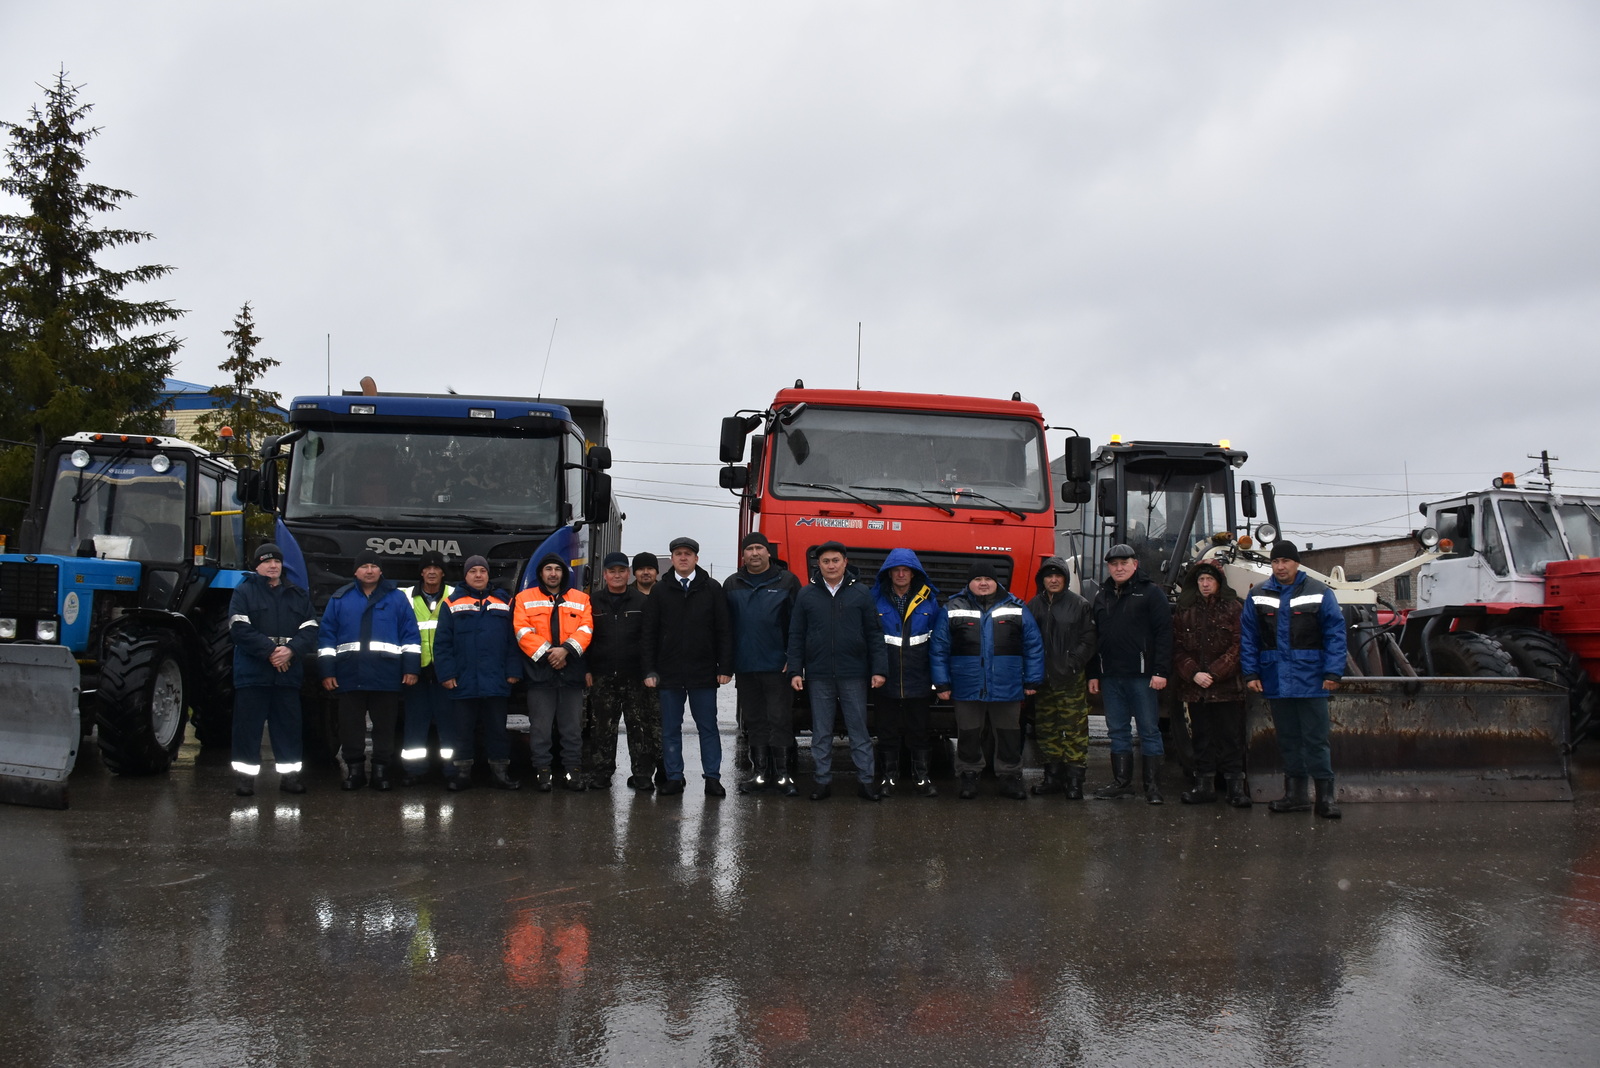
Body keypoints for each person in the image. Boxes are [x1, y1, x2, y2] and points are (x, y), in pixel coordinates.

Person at [1239, 540, 1347, 819]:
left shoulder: (1320, 592)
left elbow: (1335, 634)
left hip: (1311, 680)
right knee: (1287, 739)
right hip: (1276, 679)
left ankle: (1325, 798)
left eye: (1285, 561)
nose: (1280, 567)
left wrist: (1333, 672)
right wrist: (1250, 673)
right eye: (1275, 562)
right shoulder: (1259, 594)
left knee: (1316, 739)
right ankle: (1296, 796)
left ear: (1297, 563)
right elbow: (1249, 637)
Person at [931, 559, 1044, 800]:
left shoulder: (1017, 608)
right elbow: (939, 648)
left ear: (996, 582)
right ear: (969, 583)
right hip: (966, 685)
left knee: (1008, 734)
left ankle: (1010, 777)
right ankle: (968, 776)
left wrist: (1032, 680)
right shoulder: (952, 608)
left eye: (988, 579)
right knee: (969, 734)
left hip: (1008, 685)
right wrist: (941, 683)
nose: (983, 583)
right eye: (978, 579)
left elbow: (1033, 645)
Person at [788, 542, 888, 801]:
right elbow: (796, 635)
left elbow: (874, 634)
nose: (830, 565)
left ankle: (866, 782)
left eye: (835, 560)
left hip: (854, 673)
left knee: (859, 730)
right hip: (819, 675)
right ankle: (822, 782)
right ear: (818, 565)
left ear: (845, 562)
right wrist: (796, 670)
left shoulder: (861, 593)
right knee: (821, 732)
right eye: (825, 561)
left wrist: (879, 670)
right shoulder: (807, 595)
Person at [318, 550, 421, 791]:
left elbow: (410, 636)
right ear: (355, 571)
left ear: (381, 571)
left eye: (374, 566)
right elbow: (326, 638)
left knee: (385, 728)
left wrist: (411, 668)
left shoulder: (396, 599)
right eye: (364, 566)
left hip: (385, 675)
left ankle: (380, 772)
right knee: (350, 727)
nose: (369, 570)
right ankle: (355, 772)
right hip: (349, 674)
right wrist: (327, 671)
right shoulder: (340, 599)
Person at [641, 537, 733, 797]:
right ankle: (674, 777)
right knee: (671, 728)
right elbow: (649, 633)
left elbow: (724, 630)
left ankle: (712, 778)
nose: (683, 557)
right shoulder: (660, 590)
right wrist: (649, 670)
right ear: (671, 559)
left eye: (688, 554)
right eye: (678, 554)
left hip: (703, 672)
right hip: (668, 673)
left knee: (708, 727)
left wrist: (724, 666)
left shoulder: (712, 589)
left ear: (696, 559)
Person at [228, 543, 318, 796]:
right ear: (257, 566)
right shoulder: (244, 591)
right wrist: (271, 652)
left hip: (287, 674)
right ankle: (245, 779)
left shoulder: (298, 595)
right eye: (267, 562)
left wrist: (290, 651)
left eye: (277, 561)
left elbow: (310, 629)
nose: (273, 566)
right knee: (247, 729)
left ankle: (289, 778)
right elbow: (239, 628)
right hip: (253, 673)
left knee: (288, 729)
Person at [1088, 543, 1173, 804]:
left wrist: (1160, 671)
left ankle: (1153, 788)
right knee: (1118, 731)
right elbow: (1095, 637)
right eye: (1114, 564)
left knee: (1149, 730)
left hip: (1143, 676)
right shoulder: (1101, 596)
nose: (1119, 567)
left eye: (1124, 563)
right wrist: (1094, 673)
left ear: (1135, 564)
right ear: (1108, 568)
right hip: (1111, 676)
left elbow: (1164, 634)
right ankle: (1122, 783)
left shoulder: (1151, 594)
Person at [433, 554, 524, 790]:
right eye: (473, 571)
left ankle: (500, 774)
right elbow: (442, 644)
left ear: (488, 575)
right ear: (465, 576)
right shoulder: (451, 603)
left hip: (496, 679)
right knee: (462, 731)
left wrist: (513, 670)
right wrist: (446, 674)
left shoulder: (505, 602)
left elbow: (514, 641)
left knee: (497, 730)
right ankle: (462, 775)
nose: (478, 575)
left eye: (482, 571)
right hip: (463, 680)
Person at [724, 532, 803, 796]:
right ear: (743, 555)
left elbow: (797, 625)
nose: (754, 553)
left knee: (780, 720)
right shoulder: (732, 583)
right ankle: (758, 774)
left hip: (777, 666)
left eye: (759, 548)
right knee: (755, 722)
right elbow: (726, 628)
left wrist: (793, 659)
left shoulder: (788, 581)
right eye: (749, 549)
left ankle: (782, 775)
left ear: (769, 552)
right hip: (746, 665)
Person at [514, 552, 594, 792]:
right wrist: (552, 654)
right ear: (541, 573)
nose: (553, 573)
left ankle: (572, 772)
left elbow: (586, 629)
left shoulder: (581, 599)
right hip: (540, 674)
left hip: (571, 674)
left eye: (557, 570)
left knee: (572, 729)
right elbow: (521, 631)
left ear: (563, 574)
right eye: (548, 569)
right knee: (540, 728)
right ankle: (543, 772)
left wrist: (566, 651)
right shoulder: (524, 598)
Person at [1173, 560, 1250, 807]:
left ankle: (1235, 789)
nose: (1205, 585)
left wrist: (1215, 674)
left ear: (1219, 582)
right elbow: (1177, 648)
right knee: (1201, 738)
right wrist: (1194, 673)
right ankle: (1203, 786)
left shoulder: (1235, 608)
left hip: (1226, 688)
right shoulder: (1185, 610)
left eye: (1209, 580)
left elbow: (1239, 646)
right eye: (1201, 580)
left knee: (1230, 737)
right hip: (1196, 690)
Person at [583, 551, 661, 791]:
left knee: (639, 728)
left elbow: (650, 640)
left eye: (621, 571)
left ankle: (642, 775)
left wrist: (650, 671)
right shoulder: (592, 602)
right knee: (602, 728)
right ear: (604, 574)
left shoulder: (642, 602)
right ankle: (601, 774)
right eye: (612, 571)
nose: (617, 575)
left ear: (628, 573)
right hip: (602, 675)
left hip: (635, 675)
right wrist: (586, 669)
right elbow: (584, 637)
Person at [870, 548, 944, 797]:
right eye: (896, 570)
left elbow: (938, 643)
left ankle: (921, 778)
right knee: (886, 732)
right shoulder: (874, 600)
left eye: (906, 570)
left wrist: (937, 678)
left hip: (918, 679)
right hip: (885, 679)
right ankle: (888, 779)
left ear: (914, 574)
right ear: (888, 574)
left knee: (920, 732)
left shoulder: (930, 602)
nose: (901, 574)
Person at [1026, 556, 1095, 799]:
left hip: (1070, 679)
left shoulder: (1080, 604)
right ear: (1042, 580)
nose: (1053, 580)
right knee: (1047, 730)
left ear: (1065, 579)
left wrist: (1073, 663)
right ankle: (1052, 778)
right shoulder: (1033, 605)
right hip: (1043, 681)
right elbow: (1026, 641)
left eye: (1058, 576)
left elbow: (1089, 639)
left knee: (1074, 731)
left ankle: (1075, 782)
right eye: (1048, 576)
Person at [398, 550, 455, 787]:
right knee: (415, 724)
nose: (432, 572)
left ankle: (452, 772)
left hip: (445, 673)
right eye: (427, 568)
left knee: (450, 726)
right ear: (421, 573)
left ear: (443, 573)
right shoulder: (404, 597)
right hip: (416, 672)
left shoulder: (455, 596)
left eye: (437, 568)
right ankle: (414, 771)